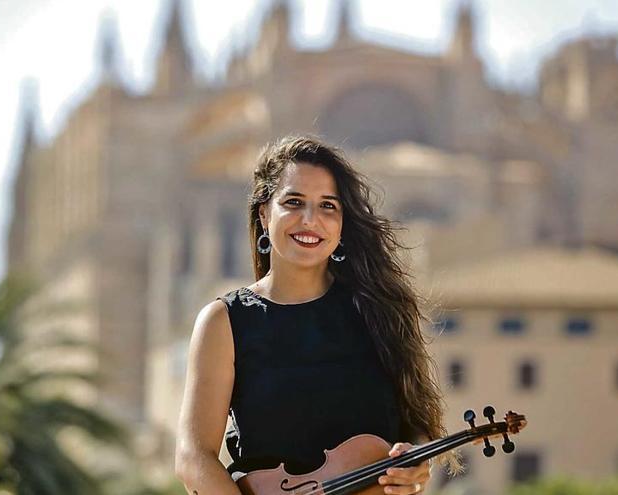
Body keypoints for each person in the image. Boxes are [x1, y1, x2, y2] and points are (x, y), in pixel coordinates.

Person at [175, 136, 456, 494]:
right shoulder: (224, 321)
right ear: (264, 213)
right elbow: (193, 456)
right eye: (294, 202)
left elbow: (415, 424)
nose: (311, 220)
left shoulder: (380, 309)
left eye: (328, 207)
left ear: (342, 224)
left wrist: (417, 462)